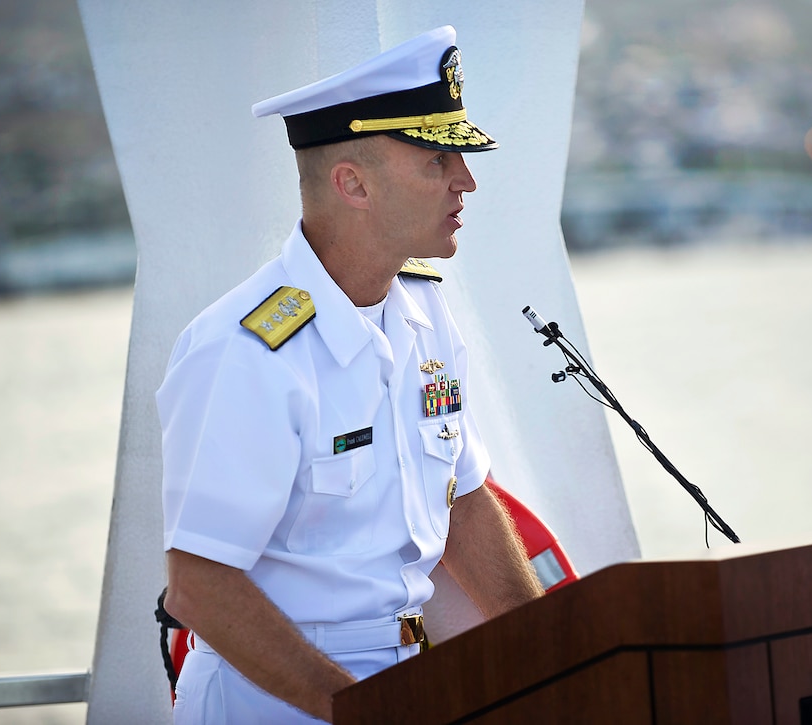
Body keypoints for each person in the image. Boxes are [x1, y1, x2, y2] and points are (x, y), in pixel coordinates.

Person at [157, 25, 544, 724]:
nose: (466, 179)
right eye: (437, 159)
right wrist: (360, 710)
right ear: (352, 182)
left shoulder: (425, 311)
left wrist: (558, 654)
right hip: (280, 703)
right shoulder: (244, 351)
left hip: (408, 681)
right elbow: (199, 587)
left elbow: (464, 501)